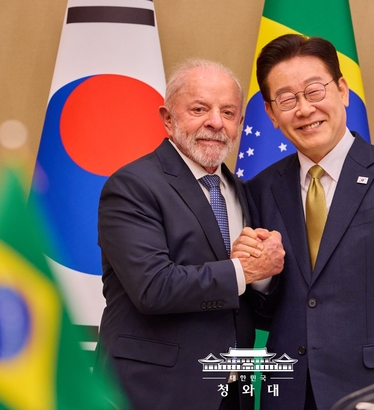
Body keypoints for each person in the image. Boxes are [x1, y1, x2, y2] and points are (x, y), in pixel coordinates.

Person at [234, 34, 374, 410]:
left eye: (314, 91)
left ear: (343, 91)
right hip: (288, 395)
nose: (304, 109)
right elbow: (266, 311)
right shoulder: (260, 189)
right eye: (287, 99)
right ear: (271, 113)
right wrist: (261, 276)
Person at [97, 59, 285, 410]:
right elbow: (153, 288)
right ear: (168, 118)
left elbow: (247, 301)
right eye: (199, 109)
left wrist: (263, 276)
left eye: (228, 112)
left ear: (240, 123)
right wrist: (244, 271)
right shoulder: (132, 186)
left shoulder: (242, 191)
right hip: (153, 392)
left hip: (232, 391)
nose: (215, 122)